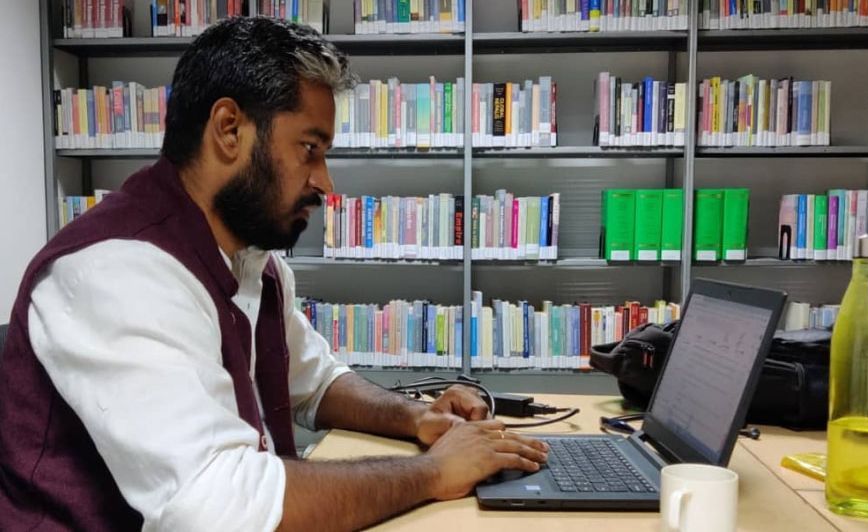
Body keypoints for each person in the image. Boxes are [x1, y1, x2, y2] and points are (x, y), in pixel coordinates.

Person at [0, 17, 547, 531]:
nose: (325, 182)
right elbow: (217, 505)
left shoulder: (252, 261)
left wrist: (418, 420)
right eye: (309, 149)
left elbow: (314, 382)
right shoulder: (116, 270)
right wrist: (433, 473)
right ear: (229, 129)